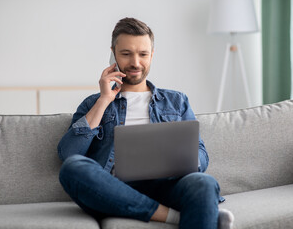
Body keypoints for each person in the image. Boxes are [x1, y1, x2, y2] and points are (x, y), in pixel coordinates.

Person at [58, 17, 234, 229]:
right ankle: (174, 217)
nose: (135, 63)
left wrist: (185, 161)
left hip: (168, 185)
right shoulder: (94, 103)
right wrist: (104, 100)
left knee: (204, 183)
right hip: (113, 189)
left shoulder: (177, 101)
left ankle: (166, 210)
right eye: (126, 54)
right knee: (72, 168)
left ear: (152, 55)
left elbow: (201, 154)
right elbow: (68, 153)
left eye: (143, 54)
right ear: (113, 53)